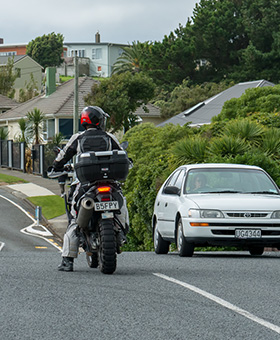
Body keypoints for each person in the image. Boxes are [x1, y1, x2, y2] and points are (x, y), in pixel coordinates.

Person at [52, 106, 129, 272]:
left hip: (85, 184)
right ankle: (122, 231)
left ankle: (67, 260)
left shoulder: (78, 138)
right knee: (121, 203)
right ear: (99, 120)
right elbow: (123, 154)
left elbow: (62, 156)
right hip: (109, 183)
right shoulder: (109, 137)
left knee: (74, 218)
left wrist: (56, 166)